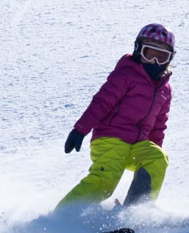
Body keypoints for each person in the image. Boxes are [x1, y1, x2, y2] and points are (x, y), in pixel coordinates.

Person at [56, 23, 175, 210]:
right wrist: (80, 130)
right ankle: (64, 214)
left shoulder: (164, 89)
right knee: (106, 181)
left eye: (161, 57)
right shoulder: (126, 75)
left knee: (157, 158)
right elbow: (102, 102)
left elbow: (159, 125)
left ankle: (137, 209)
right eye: (149, 54)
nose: (154, 62)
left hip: (137, 145)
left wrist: (151, 151)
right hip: (111, 140)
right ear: (138, 50)